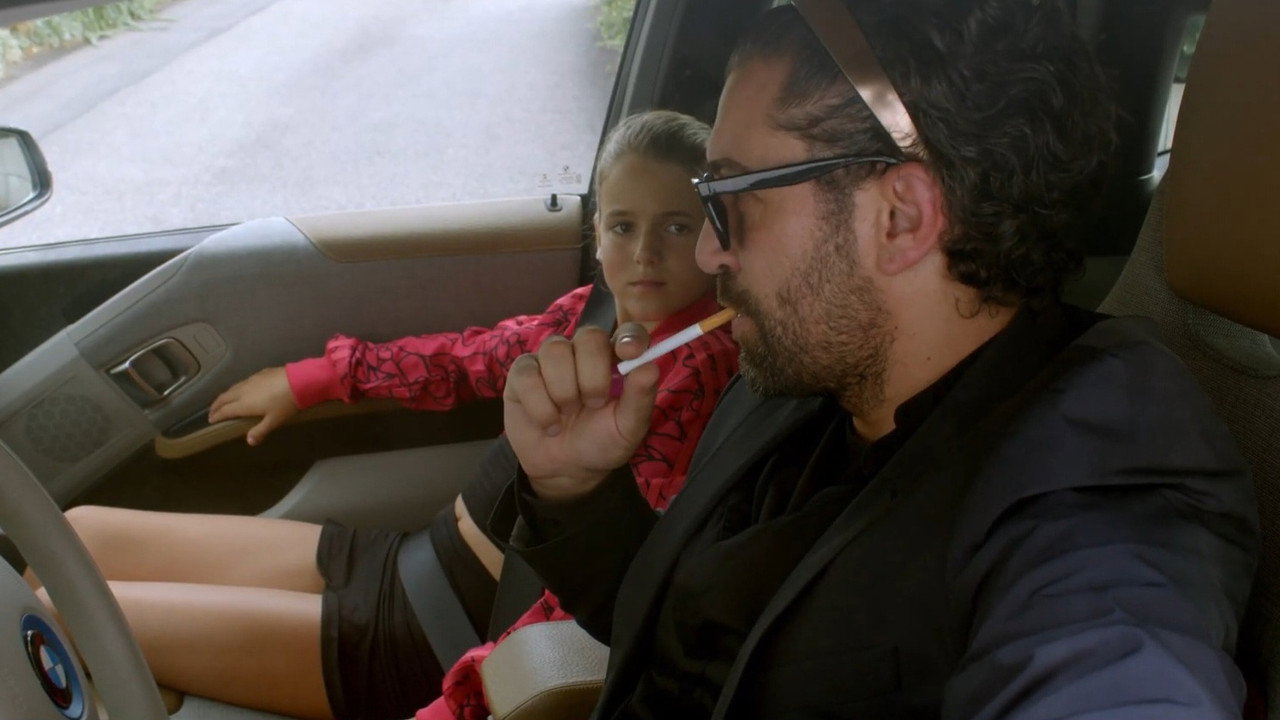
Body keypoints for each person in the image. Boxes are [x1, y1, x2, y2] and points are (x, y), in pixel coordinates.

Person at [494, 2, 1260, 719]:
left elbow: (1119, 670)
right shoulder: (808, 370)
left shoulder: (1102, 480)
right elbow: (685, 638)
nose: (707, 251)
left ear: (901, 217)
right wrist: (576, 489)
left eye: (730, 195)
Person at [36, 110, 739, 720]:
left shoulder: (699, 374)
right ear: (597, 232)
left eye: (677, 226)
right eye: (623, 226)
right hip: (408, 556)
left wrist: (460, 702)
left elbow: (601, 602)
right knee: (74, 538)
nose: (644, 254)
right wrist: (315, 379)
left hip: (429, 637)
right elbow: (467, 358)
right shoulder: (594, 312)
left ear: (716, 238)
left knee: (56, 618)